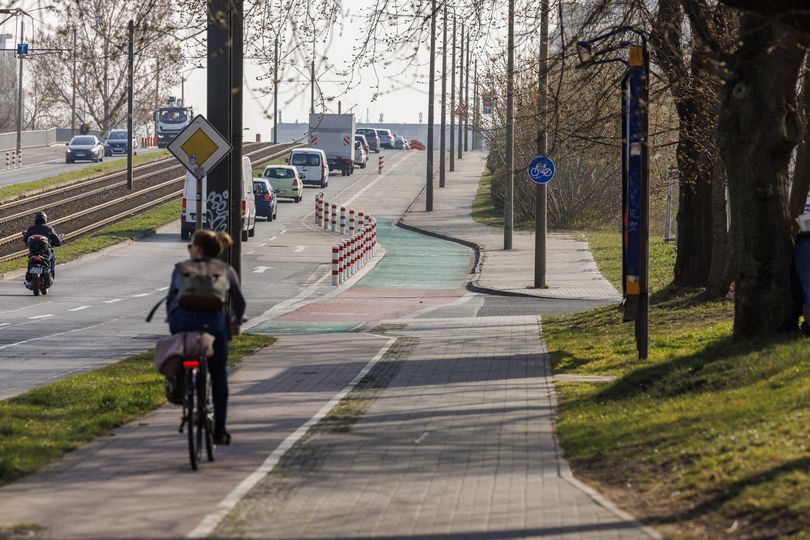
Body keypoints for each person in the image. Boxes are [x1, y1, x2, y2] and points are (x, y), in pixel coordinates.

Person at [165, 230, 246, 445]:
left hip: (182, 324)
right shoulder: (225, 270)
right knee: (218, 373)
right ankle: (219, 429)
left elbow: (170, 299)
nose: (188, 248)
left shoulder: (181, 269)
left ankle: (180, 382)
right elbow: (239, 302)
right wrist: (236, 320)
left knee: (182, 349)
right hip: (214, 327)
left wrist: (172, 320)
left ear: (198, 248)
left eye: (190, 245)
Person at [23, 211, 61, 281]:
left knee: (30, 260)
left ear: (36, 219)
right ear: (45, 219)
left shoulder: (30, 229)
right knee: (52, 258)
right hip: (45, 252)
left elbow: (25, 239)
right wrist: (56, 243)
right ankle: (51, 273)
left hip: (33, 252)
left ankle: (30, 275)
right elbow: (57, 241)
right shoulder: (49, 229)